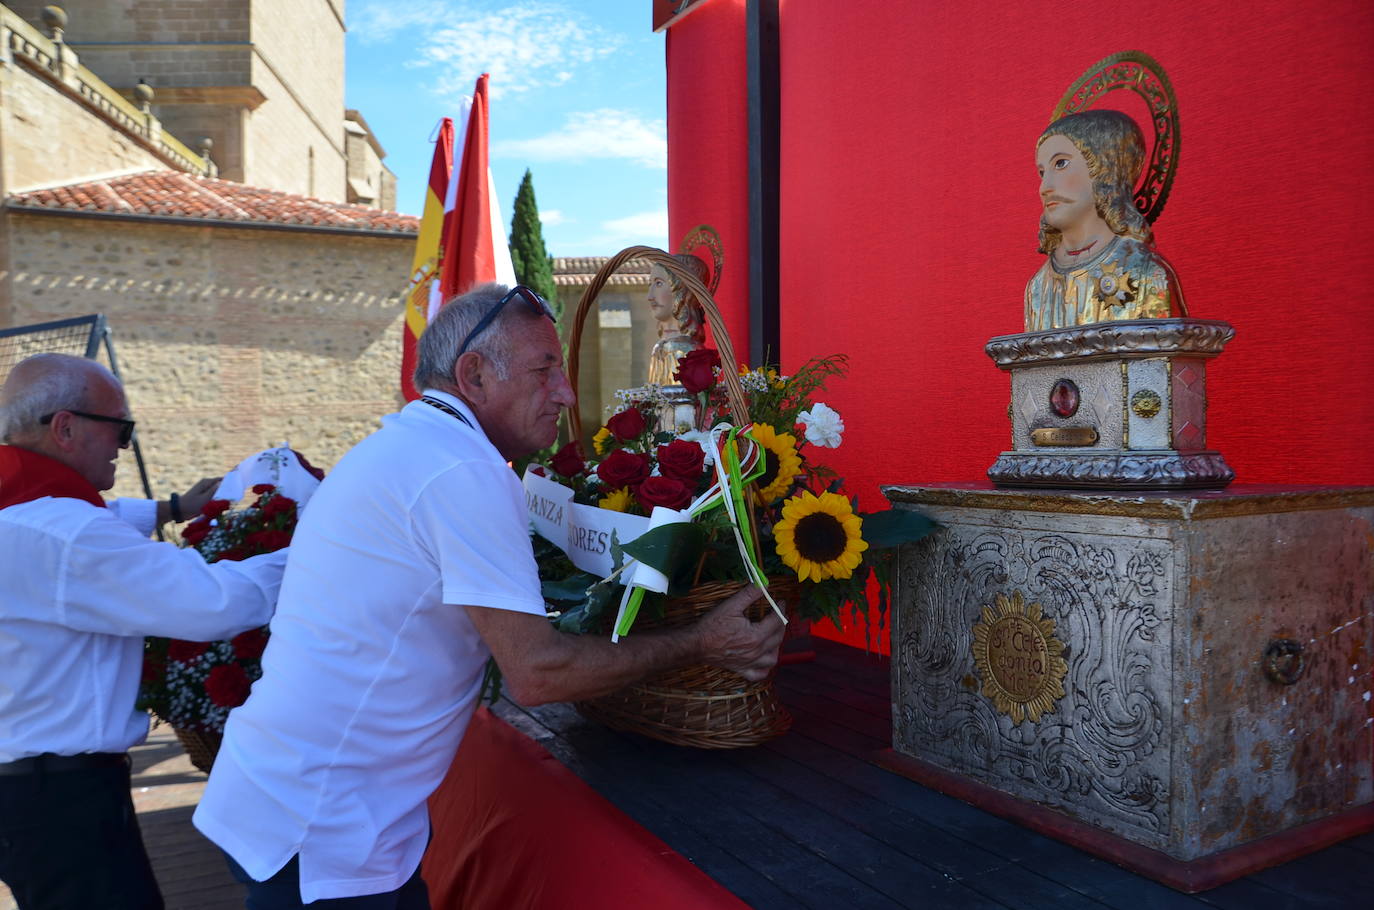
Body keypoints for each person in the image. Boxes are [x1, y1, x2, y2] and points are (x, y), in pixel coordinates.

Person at [195, 283, 785, 908]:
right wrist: (702, 640)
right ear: (473, 375)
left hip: (314, 805)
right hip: (323, 829)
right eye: (544, 370)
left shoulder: (418, 446)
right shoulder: (462, 470)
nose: (564, 392)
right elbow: (537, 673)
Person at [0, 353, 289, 910]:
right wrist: (326, 545)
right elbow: (213, 603)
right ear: (65, 427)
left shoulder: (22, 507)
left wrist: (177, 507)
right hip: (60, 796)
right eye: (120, 429)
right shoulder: (65, 532)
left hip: (30, 789)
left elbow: (96, 521)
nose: (122, 446)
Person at [1024, 109, 1184, 331]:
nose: (1045, 187)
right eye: (1042, 172)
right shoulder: (1039, 286)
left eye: (1060, 164)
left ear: (1107, 168)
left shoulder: (1146, 274)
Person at [645, 254, 709, 387]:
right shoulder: (662, 346)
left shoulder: (683, 349)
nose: (649, 296)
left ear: (683, 290)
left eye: (658, 283)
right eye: (650, 284)